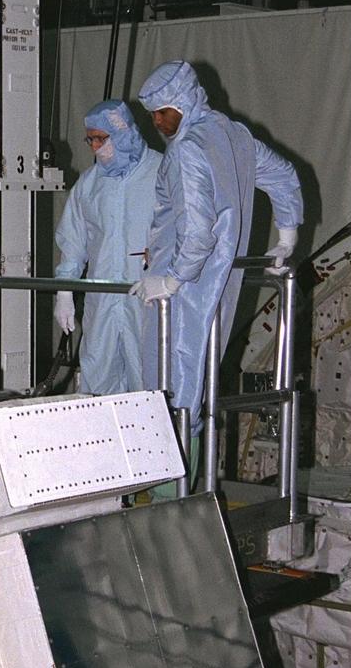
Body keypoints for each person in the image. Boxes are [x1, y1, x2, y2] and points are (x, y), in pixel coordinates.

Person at [131, 60, 303, 433]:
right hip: (219, 280)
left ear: (184, 100)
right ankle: (189, 463)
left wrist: (171, 280)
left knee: (170, 386)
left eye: (163, 112)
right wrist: (286, 239)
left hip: (185, 284)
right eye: (152, 114)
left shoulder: (186, 150)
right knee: (197, 376)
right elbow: (282, 174)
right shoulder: (234, 136)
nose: (157, 121)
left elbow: (197, 231)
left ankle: (173, 468)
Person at [53, 100, 161, 395]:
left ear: (123, 131)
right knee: (98, 380)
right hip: (101, 302)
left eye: (101, 138)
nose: (96, 147)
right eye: (90, 140)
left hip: (149, 299)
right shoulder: (89, 184)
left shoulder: (162, 172)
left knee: (150, 382)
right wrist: (64, 290)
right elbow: (73, 240)